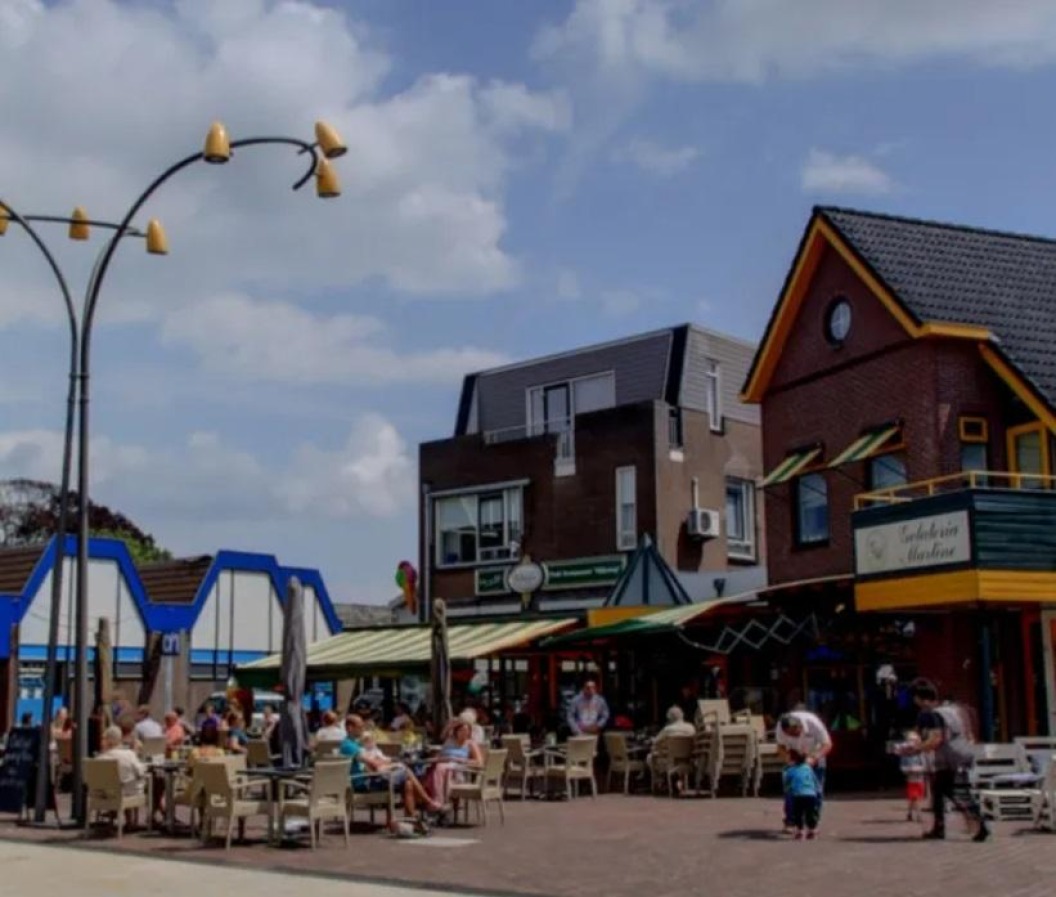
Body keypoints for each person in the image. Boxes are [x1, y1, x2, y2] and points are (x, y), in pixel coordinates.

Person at [900, 681, 988, 842]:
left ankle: (979, 824)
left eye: (915, 698)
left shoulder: (933, 714)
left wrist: (915, 748)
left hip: (950, 758)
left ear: (920, 698)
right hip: (961, 753)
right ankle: (940, 827)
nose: (914, 702)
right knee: (940, 790)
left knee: (955, 791)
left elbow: (936, 739)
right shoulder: (951, 710)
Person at [339, 714, 440, 828]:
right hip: (363, 782)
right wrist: (391, 764)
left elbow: (375, 761)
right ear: (350, 728)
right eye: (360, 727)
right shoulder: (349, 746)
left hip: (370, 777)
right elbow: (374, 764)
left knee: (408, 783)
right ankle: (428, 802)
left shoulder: (356, 744)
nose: (362, 729)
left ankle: (411, 820)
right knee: (406, 771)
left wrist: (389, 763)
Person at [775, 710, 832, 833]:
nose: (794, 736)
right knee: (790, 790)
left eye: (795, 732)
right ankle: (790, 821)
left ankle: (813, 822)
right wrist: (788, 760)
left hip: (815, 753)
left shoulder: (814, 723)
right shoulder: (780, 727)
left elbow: (827, 744)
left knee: (816, 790)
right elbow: (780, 747)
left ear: (799, 726)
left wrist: (814, 758)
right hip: (795, 756)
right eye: (790, 734)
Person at [427, 717, 484, 810]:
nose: (464, 733)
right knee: (435, 770)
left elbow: (479, 763)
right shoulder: (449, 741)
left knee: (442, 769)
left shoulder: (470, 744)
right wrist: (440, 758)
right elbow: (440, 754)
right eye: (461, 730)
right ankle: (440, 803)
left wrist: (459, 760)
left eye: (466, 730)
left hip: (459, 772)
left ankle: (440, 801)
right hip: (443, 769)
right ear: (456, 731)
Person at [99, 725, 147, 830]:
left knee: (120, 784)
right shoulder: (129, 754)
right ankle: (131, 822)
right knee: (130, 784)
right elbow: (141, 771)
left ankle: (112, 820)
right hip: (125, 792)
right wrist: (137, 753)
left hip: (104, 794)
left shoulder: (101, 757)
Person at [783, 750, 820, 840]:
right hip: (810, 794)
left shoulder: (791, 770)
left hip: (798, 795)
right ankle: (812, 830)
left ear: (793, 760)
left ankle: (800, 831)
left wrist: (787, 790)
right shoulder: (808, 768)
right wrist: (817, 791)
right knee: (810, 813)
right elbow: (815, 780)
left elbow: (787, 782)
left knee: (798, 814)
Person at [898, 730, 926, 823]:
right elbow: (902, 767)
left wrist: (918, 768)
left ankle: (909, 813)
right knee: (915, 797)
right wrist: (907, 769)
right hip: (911, 779)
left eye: (913, 741)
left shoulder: (920, 754)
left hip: (919, 779)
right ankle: (919, 815)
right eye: (910, 740)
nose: (912, 743)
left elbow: (924, 765)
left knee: (914, 798)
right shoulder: (905, 755)